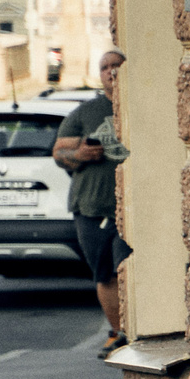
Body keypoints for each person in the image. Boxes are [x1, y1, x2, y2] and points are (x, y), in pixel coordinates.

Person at [51, 48, 132, 358]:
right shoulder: (86, 113)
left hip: (134, 207)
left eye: (116, 65)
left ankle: (138, 330)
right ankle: (118, 333)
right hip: (92, 207)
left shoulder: (141, 103)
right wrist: (80, 154)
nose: (111, 71)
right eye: (104, 67)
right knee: (105, 273)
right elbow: (59, 151)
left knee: (128, 269)